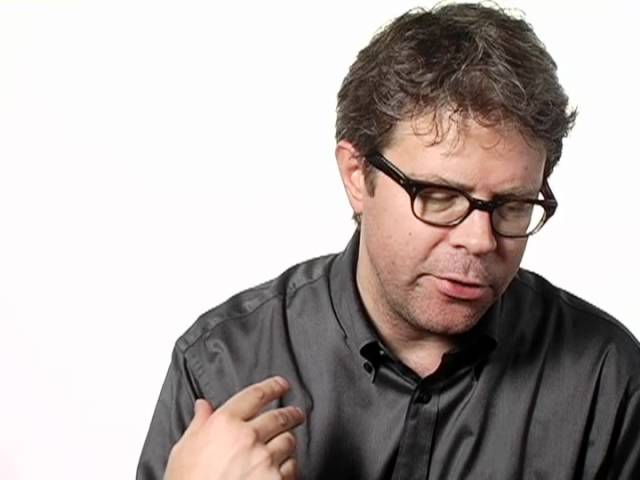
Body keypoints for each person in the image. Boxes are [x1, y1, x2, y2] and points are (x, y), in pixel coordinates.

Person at [137, 3, 640, 479]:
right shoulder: (221, 364)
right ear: (357, 175)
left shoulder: (608, 380)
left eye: (511, 205)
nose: (480, 241)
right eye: (440, 197)